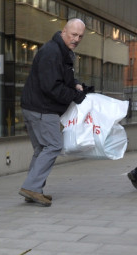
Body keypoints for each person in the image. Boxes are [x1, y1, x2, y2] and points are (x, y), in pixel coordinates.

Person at [19, 18, 91, 207]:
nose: (76, 39)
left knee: (42, 149)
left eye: (80, 36)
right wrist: (74, 95)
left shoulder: (61, 50)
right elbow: (51, 86)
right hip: (43, 108)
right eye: (74, 35)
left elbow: (60, 77)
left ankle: (33, 190)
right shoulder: (53, 52)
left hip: (34, 106)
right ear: (64, 32)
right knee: (53, 145)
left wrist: (74, 84)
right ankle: (32, 188)